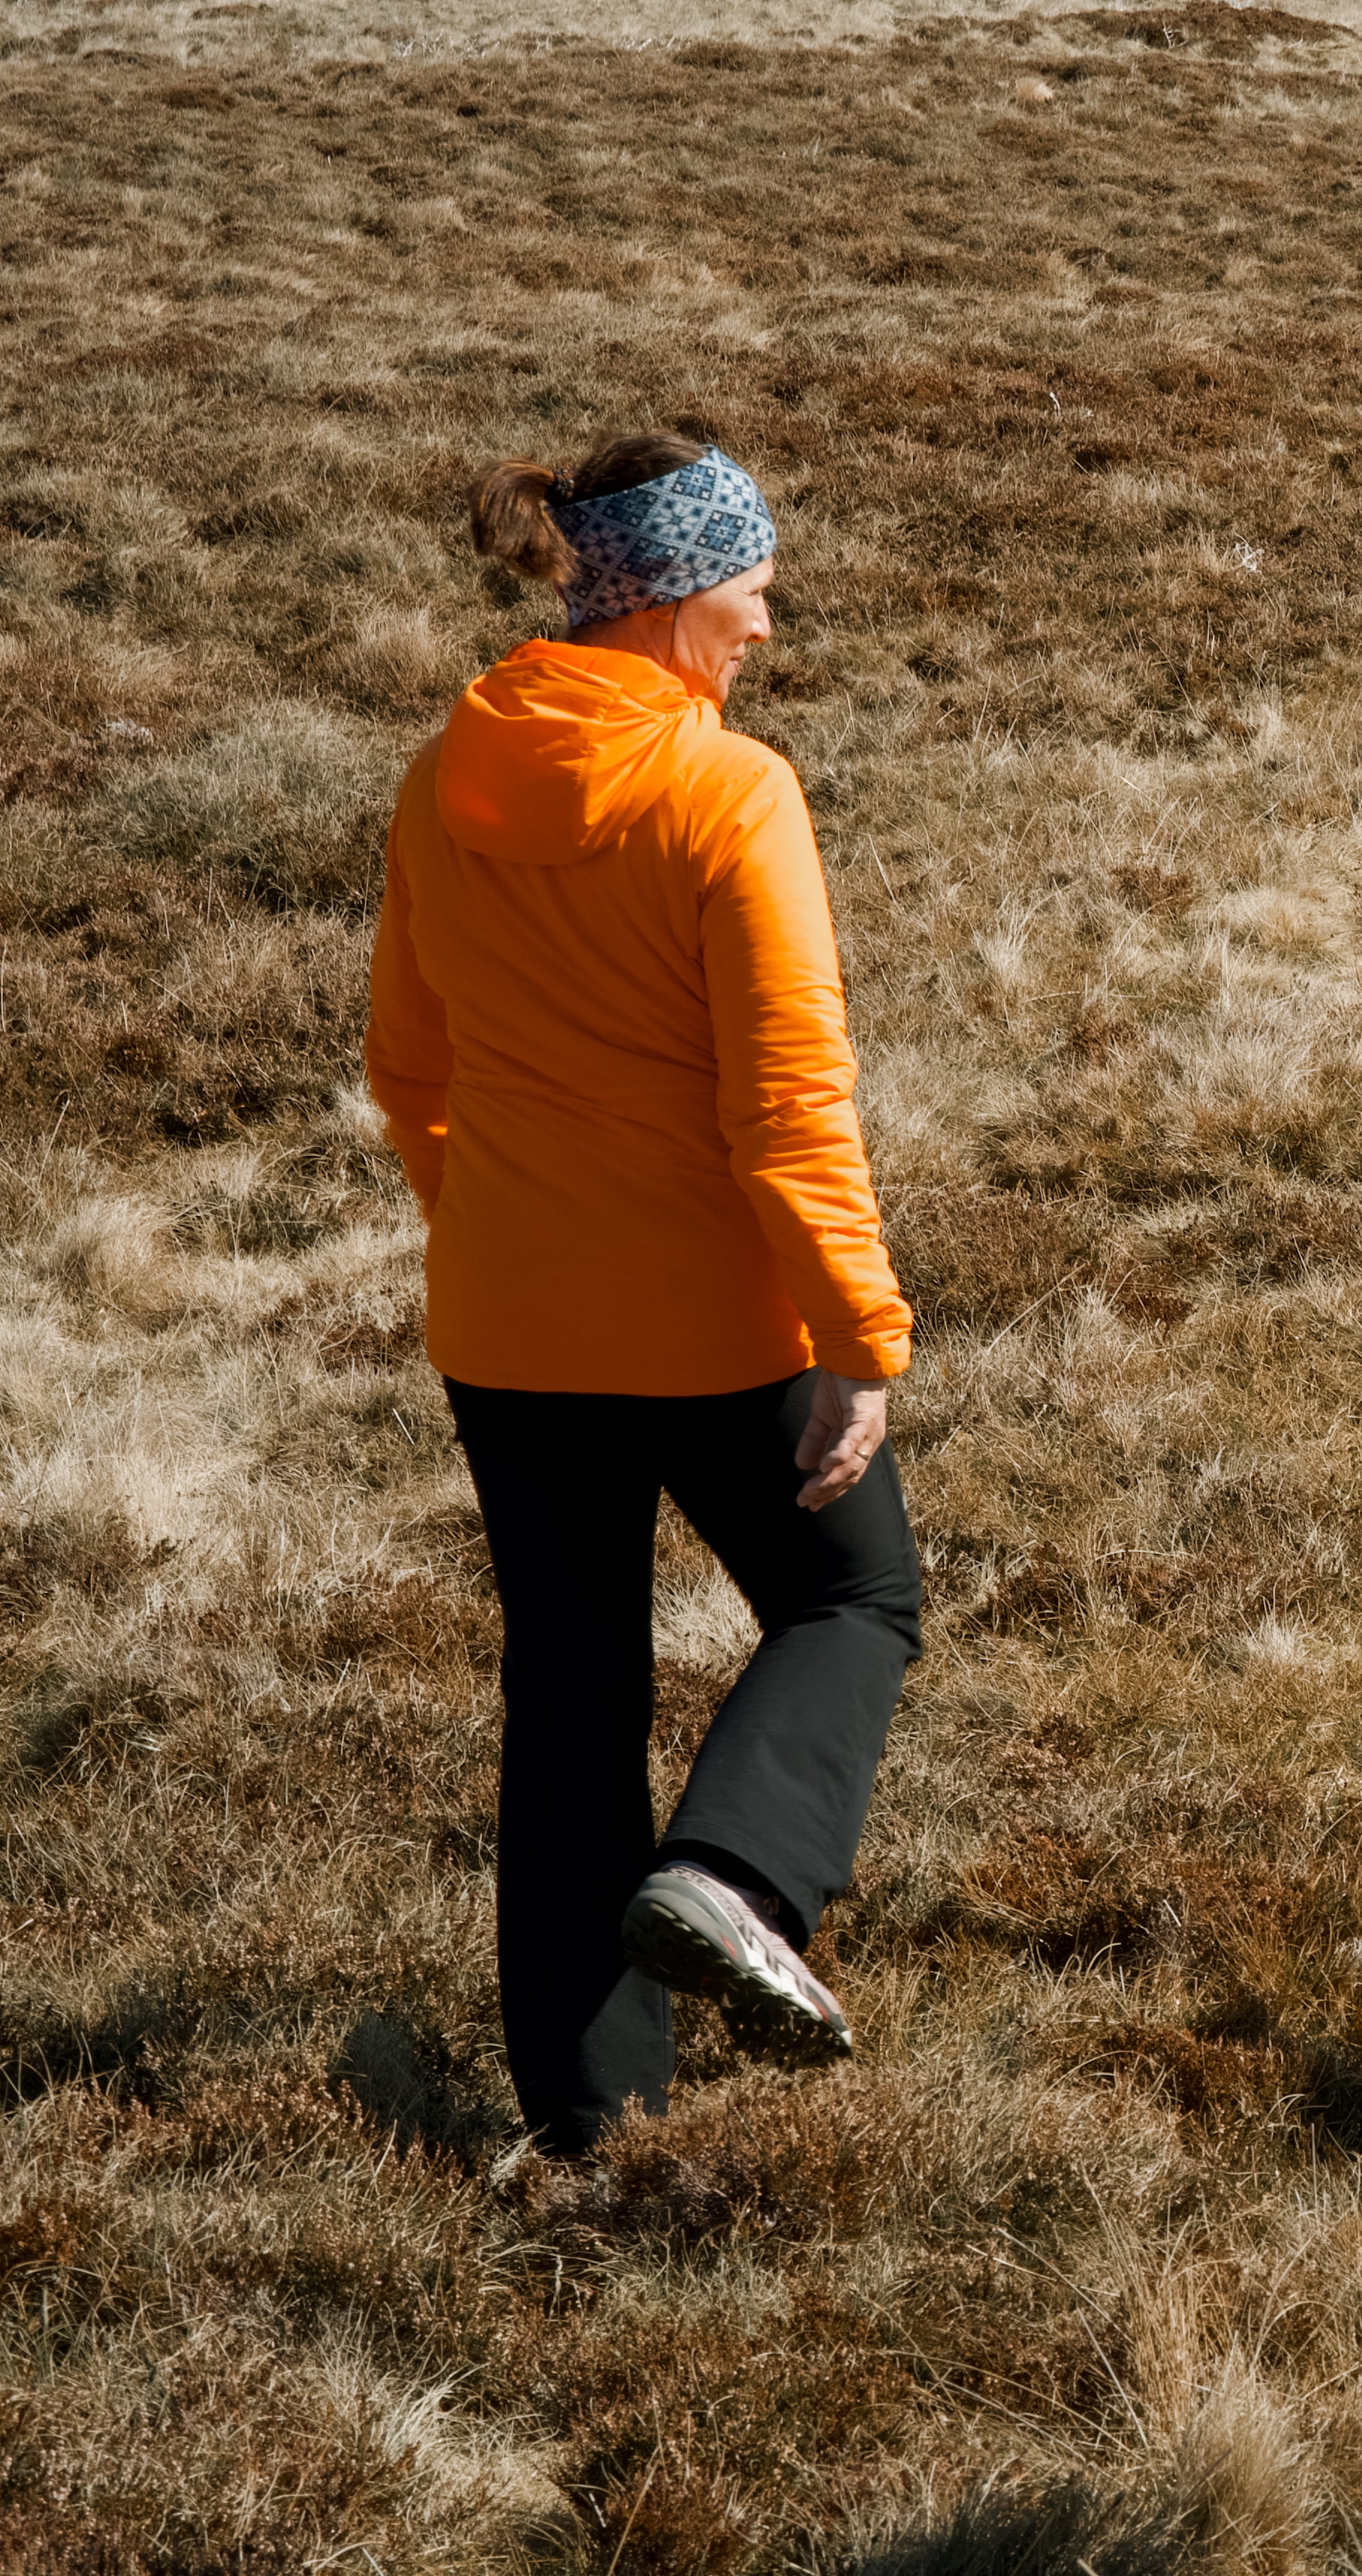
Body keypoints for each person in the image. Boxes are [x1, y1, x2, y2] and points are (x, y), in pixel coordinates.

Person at [367, 433, 924, 2155]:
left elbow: (408, 1070)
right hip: (712, 1322)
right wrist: (859, 1337)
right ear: (676, 590)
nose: (766, 616)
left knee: (576, 1693)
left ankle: (593, 2126)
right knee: (854, 1598)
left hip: (510, 1327)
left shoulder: (441, 773)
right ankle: (735, 1872)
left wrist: (513, 1227)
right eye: (749, 579)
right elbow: (786, 1101)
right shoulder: (727, 789)